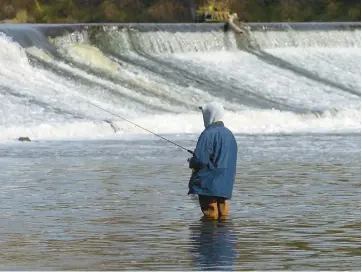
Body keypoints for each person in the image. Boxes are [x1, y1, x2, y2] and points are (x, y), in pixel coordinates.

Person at [188, 102, 238, 219]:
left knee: (209, 213)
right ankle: (224, 236)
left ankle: (209, 237)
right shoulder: (229, 134)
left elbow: (200, 160)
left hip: (208, 181)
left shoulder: (208, 134)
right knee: (222, 212)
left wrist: (192, 161)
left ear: (210, 115)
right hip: (226, 181)